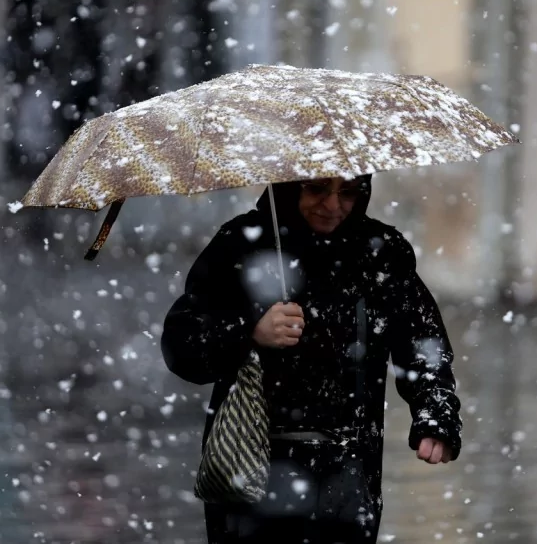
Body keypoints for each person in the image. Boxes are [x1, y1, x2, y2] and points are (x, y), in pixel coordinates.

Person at [161, 175, 462, 544]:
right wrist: (249, 331)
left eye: (348, 192)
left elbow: (421, 339)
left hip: (350, 469)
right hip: (253, 465)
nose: (333, 205)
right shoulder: (240, 245)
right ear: (289, 184)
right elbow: (182, 345)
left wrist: (436, 414)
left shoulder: (380, 251)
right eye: (317, 188)